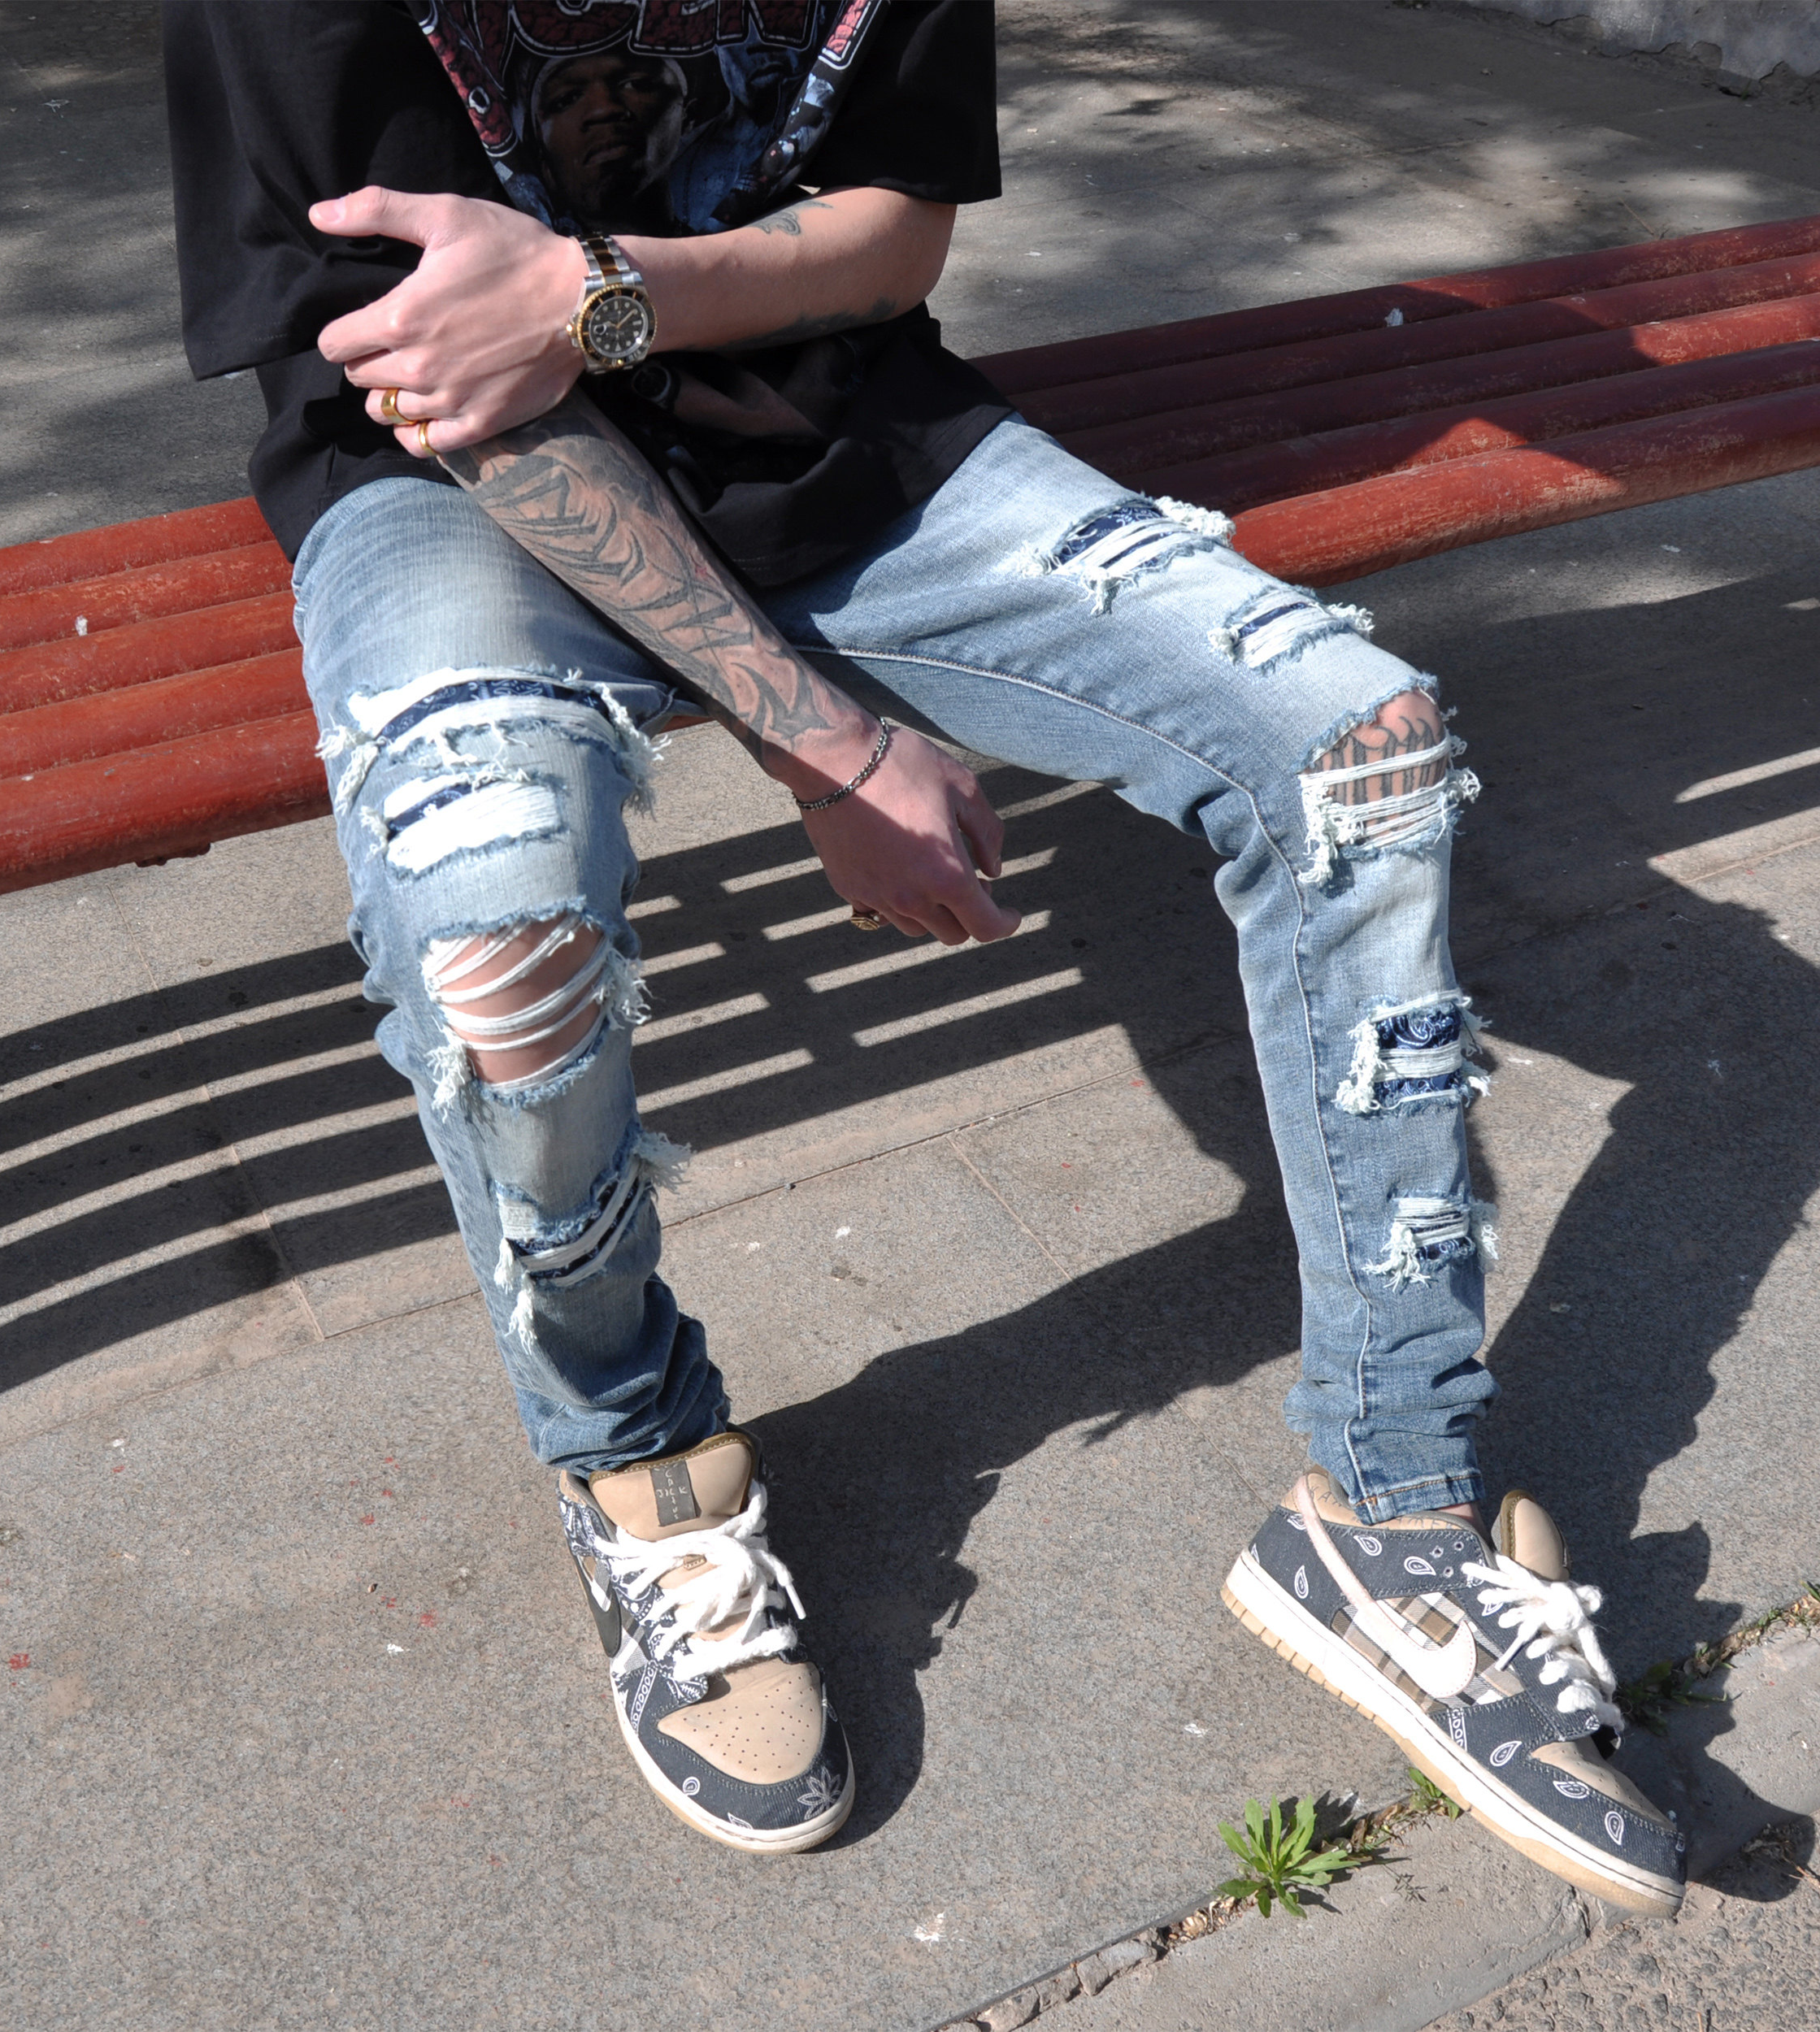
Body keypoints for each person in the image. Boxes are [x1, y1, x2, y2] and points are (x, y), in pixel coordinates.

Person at [161, 0, 1684, 1907]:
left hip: (853, 442)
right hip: (447, 487)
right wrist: (824, 738)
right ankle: (638, 1465)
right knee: (499, 926)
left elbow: (890, 232)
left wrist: (601, 294)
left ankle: (1391, 1507)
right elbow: (442, 374)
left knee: (1359, 754)